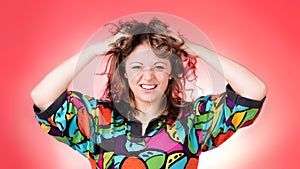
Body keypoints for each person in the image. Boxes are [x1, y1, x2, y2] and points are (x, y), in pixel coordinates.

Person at [31, 18, 267, 169]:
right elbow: (43, 97)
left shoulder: (194, 119)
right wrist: (94, 51)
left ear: (171, 73)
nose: (148, 76)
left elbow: (253, 91)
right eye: (137, 66)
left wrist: (193, 49)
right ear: (123, 73)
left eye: (159, 66)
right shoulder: (97, 119)